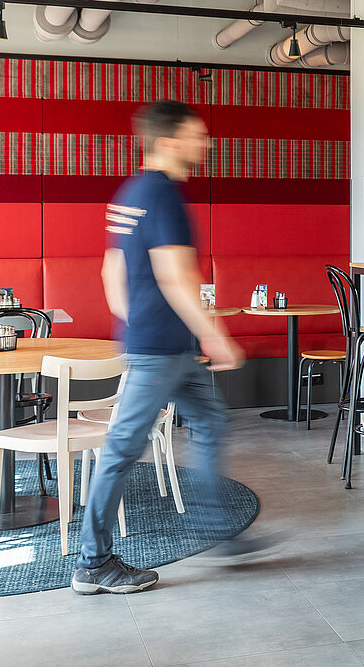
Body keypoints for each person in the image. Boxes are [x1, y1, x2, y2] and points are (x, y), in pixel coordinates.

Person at [71, 99, 247, 595]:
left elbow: (110, 272)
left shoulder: (129, 193)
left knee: (210, 421)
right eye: (198, 134)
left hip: (163, 346)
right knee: (122, 450)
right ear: (169, 142)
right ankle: (92, 563)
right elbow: (175, 276)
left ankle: (215, 529)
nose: (205, 142)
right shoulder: (165, 197)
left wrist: (139, 324)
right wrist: (215, 334)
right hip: (163, 351)